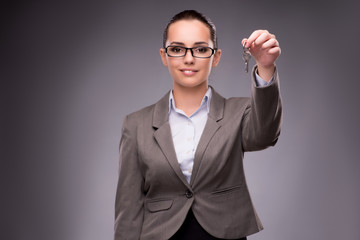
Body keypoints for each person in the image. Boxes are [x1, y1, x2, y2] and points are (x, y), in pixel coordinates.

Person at [114, 10, 282, 240]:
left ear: (216, 56)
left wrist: (265, 66)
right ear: (164, 56)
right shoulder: (135, 125)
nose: (189, 58)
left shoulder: (238, 112)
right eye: (177, 49)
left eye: (201, 49)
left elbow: (265, 135)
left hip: (224, 234)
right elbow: (128, 208)